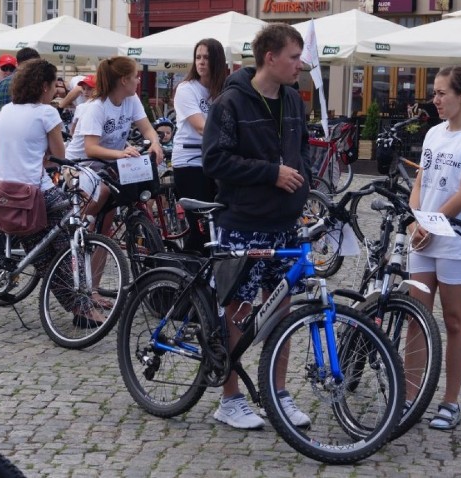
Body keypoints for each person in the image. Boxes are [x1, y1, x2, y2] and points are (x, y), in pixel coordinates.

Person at [202, 23, 311, 430]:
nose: (300, 64)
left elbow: (301, 153)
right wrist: (271, 173)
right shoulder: (230, 103)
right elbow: (214, 161)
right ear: (271, 57)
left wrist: (303, 189)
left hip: (284, 222)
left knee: (281, 310)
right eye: (294, 57)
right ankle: (229, 399)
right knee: (239, 311)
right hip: (243, 219)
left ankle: (275, 393)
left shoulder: (295, 101)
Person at [404, 66, 461, 431]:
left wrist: (429, 222)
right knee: (415, 317)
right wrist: (413, 219)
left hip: (455, 241)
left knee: (454, 320)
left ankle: (450, 400)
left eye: (442, 93)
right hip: (424, 240)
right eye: (435, 93)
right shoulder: (433, 134)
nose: (435, 100)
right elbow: (420, 183)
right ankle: (408, 396)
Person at [0, 58, 104, 325]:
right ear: (43, 86)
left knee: (45, 251)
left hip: (3, 188)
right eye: (54, 85)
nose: (57, 90)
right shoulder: (46, 113)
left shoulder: (7, 109)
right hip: (34, 192)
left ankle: (79, 304)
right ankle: (82, 307)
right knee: (68, 237)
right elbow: (59, 155)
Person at [63, 57, 164, 232]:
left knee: (110, 215)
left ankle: (102, 244)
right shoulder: (97, 107)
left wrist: (155, 143)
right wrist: (121, 153)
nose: (139, 80)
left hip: (107, 166)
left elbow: (147, 129)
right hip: (79, 165)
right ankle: (79, 230)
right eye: (135, 76)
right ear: (124, 80)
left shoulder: (131, 100)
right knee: (103, 191)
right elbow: (90, 148)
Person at [172, 38, 227, 254]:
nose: (201, 62)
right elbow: (202, 127)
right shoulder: (186, 89)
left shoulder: (223, 89)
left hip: (215, 159)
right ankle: (184, 275)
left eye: (206, 57)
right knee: (201, 228)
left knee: (221, 221)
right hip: (190, 160)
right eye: (198, 57)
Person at [0, 47, 41, 131]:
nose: (8, 71)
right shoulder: (9, 84)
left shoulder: (1, 85)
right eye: (5, 68)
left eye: (11, 68)